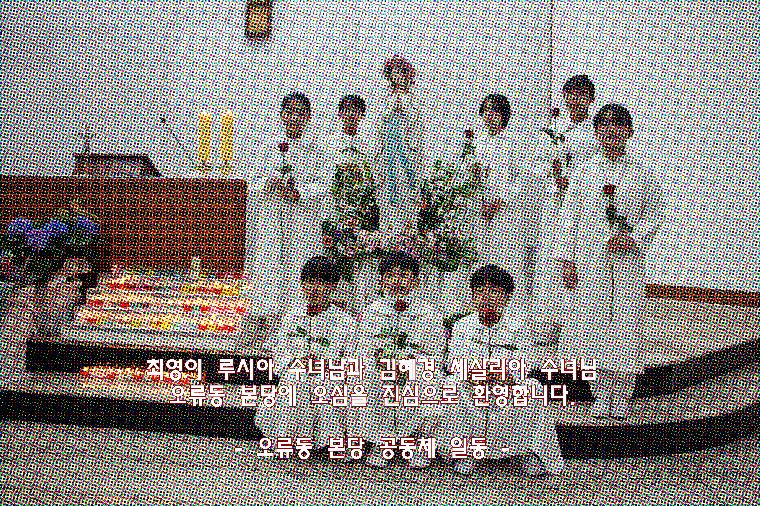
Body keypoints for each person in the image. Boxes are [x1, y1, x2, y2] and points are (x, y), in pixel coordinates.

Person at [553, 104, 665, 420]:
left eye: (618, 125)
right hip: (590, 260)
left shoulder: (642, 174)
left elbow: (655, 213)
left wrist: (634, 238)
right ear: (596, 131)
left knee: (626, 325)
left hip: (627, 262)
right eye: (603, 125)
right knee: (593, 326)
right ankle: (600, 394)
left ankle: (622, 395)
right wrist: (566, 259)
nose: (610, 131)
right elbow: (568, 218)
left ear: (629, 131)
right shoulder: (583, 172)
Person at [436, 265, 564, 476]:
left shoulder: (519, 326)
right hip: (472, 385)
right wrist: (474, 374)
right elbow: (454, 362)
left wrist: (507, 375)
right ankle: (464, 453)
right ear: (473, 296)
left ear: (507, 296)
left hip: (507, 385)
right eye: (480, 292)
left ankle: (526, 452)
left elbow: (526, 361)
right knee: (451, 386)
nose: (487, 298)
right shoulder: (462, 325)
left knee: (533, 388)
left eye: (494, 291)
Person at [346, 251, 446, 469]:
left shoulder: (429, 314)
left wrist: (409, 363)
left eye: (404, 275)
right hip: (382, 367)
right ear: (381, 281)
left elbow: (436, 353)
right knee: (364, 373)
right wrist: (380, 361)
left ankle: (418, 443)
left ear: (416, 281)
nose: (397, 281)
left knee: (427, 376)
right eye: (390, 275)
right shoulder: (372, 311)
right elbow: (362, 346)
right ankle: (382, 441)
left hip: (415, 368)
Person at [245, 93, 331, 334]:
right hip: (272, 217)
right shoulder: (267, 146)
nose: (294, 117)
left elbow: (324, 185)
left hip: (302, 219)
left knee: (299, 264)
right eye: (290, 112)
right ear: (282, 115)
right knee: (271, 267)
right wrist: (269, 183)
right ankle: (269, 321)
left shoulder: (317, 150)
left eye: (300, 113)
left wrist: (298, 192)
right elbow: (251, 183)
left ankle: (298, 324)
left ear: (308, 117)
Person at [255, 256, 357, 452]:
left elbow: (350, 358)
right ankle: (287, 439)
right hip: (297, 370)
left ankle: (327, 441)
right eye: (310, 282)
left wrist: (326, 365)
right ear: (302, 284)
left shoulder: (345, 321)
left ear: (333, 286)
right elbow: (280, 350)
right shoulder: (292, 316)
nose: (315, 288)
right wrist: (296, 361)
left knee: (321, 383)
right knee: (295, 380)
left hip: (329, 374)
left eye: (322, 283)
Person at [530, 74, 599, 344]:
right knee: (548, 261)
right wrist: (553, 173)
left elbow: (596, 168)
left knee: (574, 260)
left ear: (591, 99)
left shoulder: (595, 131)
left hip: (581, 204)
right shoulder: (554, 127)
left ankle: (575, 325)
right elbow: (537, 163)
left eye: (582, 95)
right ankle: (547, 324)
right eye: (571, 94)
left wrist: (573, 180)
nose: (576, 99)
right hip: (553, 202)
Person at [322, 94, 382, 314]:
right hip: (338, 216)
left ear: (362, 115)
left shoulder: (372, 145)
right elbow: (326, 184)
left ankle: (365, 317)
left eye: (355, 111)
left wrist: (365, 215)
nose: (350, 115)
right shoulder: (328, 144)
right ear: (339, 114)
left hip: (364, 218)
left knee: (365, 276)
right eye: (346, 110)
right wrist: (333, 221)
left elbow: (376, 182)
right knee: (339, 277)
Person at [472, 94, 529, 311]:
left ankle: (510, 310)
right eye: (486, 111)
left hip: (505, 212)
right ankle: (480, 307)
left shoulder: (512, 143)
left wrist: (500, 201)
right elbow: (472, 177)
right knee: (480, 256)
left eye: (495, 111)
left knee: (505, 257)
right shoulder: (476, 143)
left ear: (504, 115)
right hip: (480, 209)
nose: (490, 115)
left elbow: (520, 179)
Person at [376, 55, 425, 233]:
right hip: (389, 152)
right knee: (388, 191)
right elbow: (380, 124)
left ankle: (408, 230)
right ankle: (390, 230)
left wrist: (402, 107)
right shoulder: (386, 100)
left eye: (401, 72)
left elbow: (416, 126)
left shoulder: (413, 100)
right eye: (394, 72)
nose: (397, 76)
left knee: (408, 189)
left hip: (406, 151)